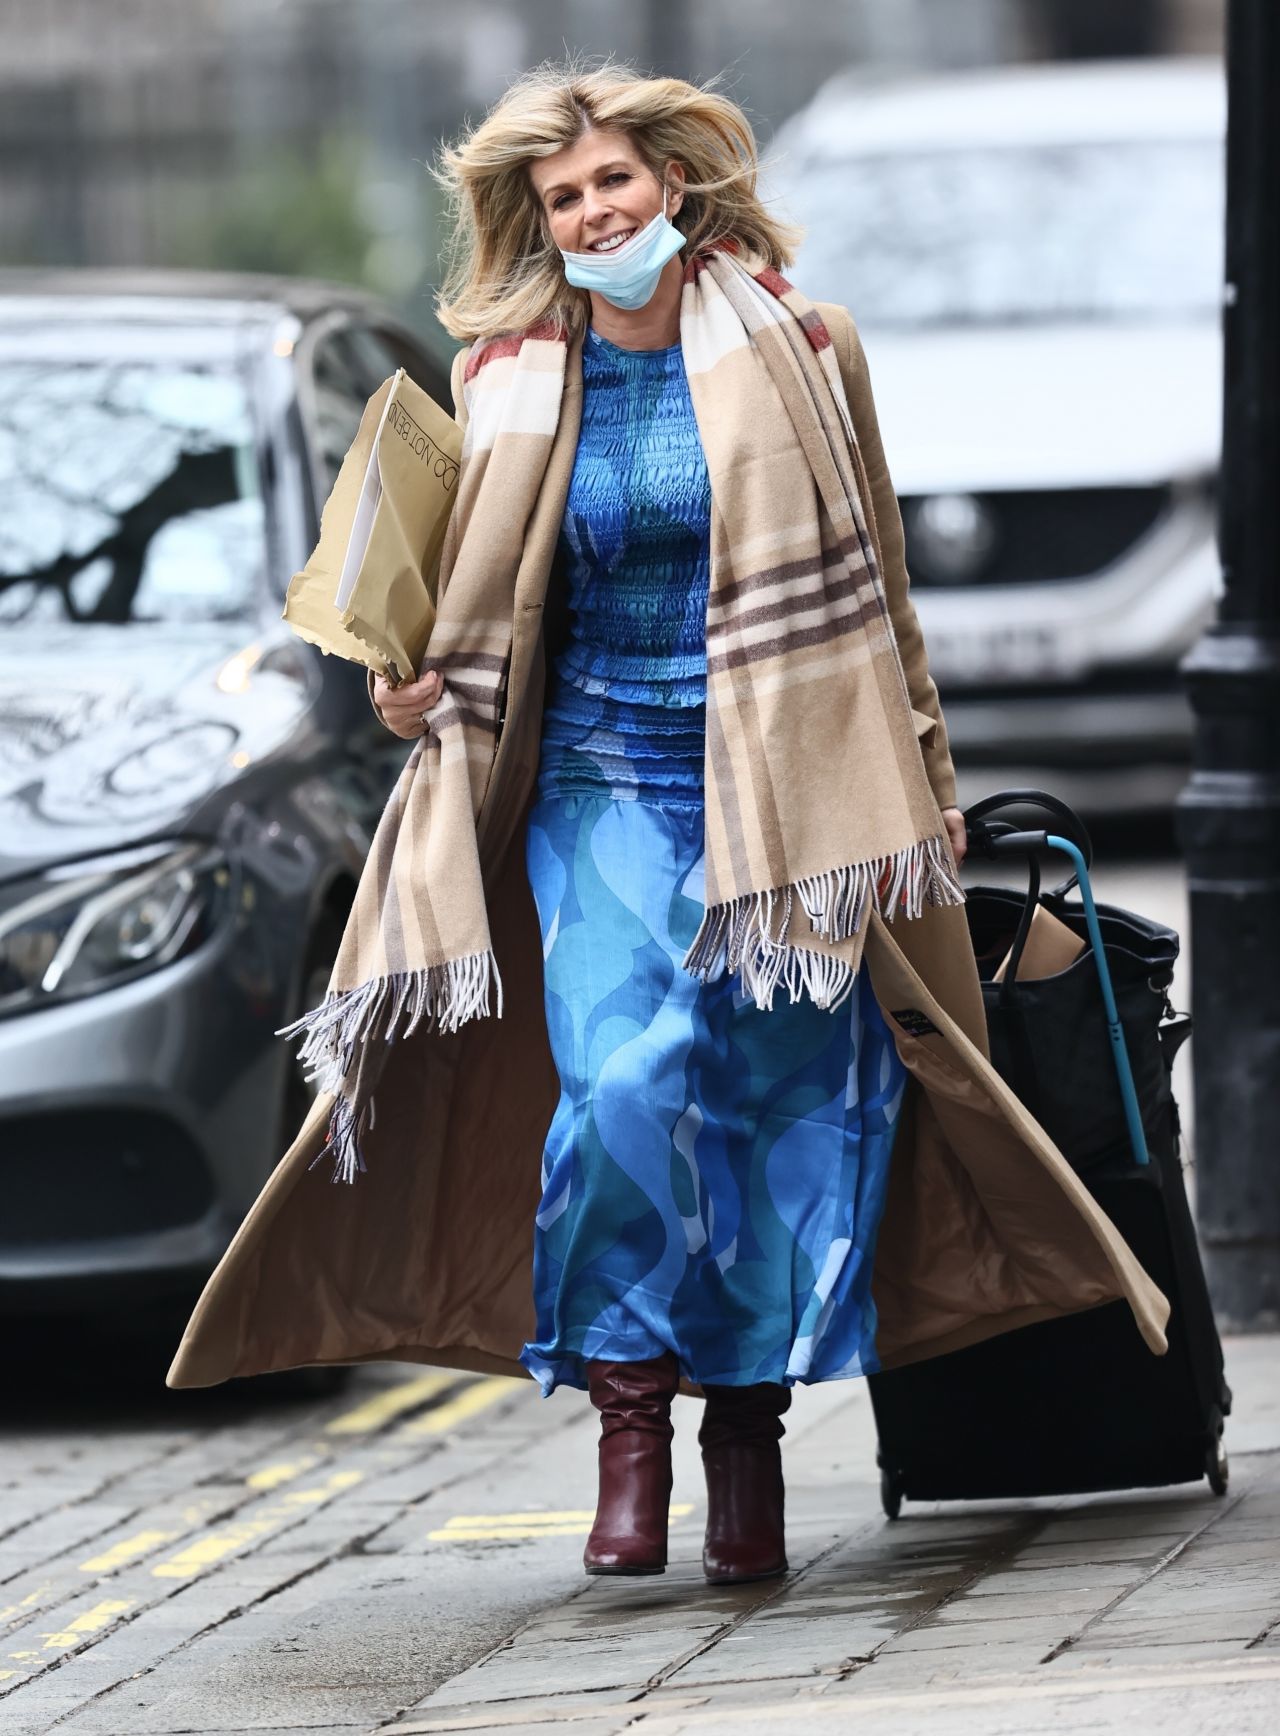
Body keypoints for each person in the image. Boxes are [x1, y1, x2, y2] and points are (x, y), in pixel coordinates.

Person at [167, 61, 1169, 1592]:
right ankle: (632, 1420)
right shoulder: (505, 376)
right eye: (564, 198)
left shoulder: (806, 347)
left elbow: (884, 587)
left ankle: (746, 1439)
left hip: (784, 786)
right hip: (594, 776)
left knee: (771, 1111)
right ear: (540, 219)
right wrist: (409, 688)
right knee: (625, 1082)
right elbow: (449, 610)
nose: (592, 213)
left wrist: (925, 773)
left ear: (675, 184)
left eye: (614, 185)